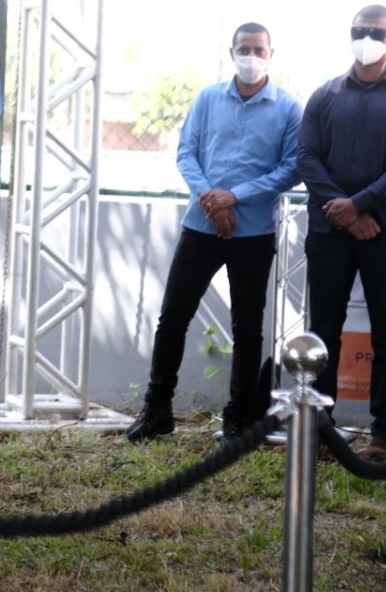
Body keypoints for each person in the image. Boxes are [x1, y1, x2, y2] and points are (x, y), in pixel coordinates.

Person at [126, 22, 302, 442]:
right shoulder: (207, 98)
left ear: (271, 55)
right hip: (200, 227)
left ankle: (238, 418)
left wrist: (234, 197)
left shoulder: (288, 108)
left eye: (259, 49)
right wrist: (210, 199)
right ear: (231, 52)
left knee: (247, 329)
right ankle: (157, 410)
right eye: (244, 48)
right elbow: (186, 152)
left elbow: (291, 169)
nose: (251, 56)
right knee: (172, 319)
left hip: (253, 233)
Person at [297, 4, 386, 461]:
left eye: (377, 32)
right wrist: (347, 212)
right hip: (330, 229)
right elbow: (306, 158)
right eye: (359, 30)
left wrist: (360, 204)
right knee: (323, 331)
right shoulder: (324, 94)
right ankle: (320, 429)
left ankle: (385, 434)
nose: (366, 37)